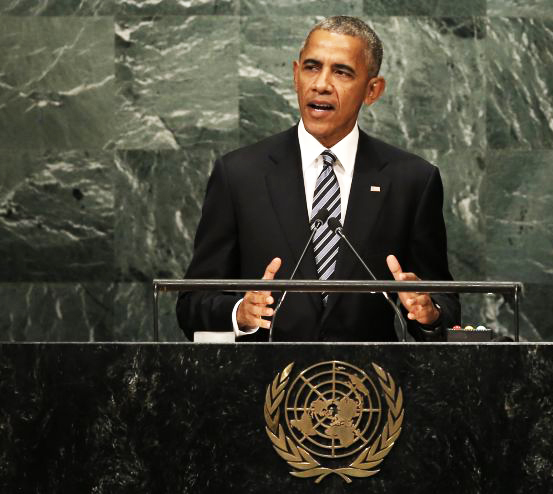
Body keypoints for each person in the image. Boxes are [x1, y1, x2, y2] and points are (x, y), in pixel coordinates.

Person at [176, 16, 460, 342]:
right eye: (312, 67)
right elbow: (191, 304)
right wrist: (240, 312)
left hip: (368, 386)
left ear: (372, 90)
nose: (321, 83)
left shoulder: (412, 180)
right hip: (265, 386)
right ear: (296, 75)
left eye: (341, 72)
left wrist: (428, 313)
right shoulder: (239, 174)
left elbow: (446, 306)